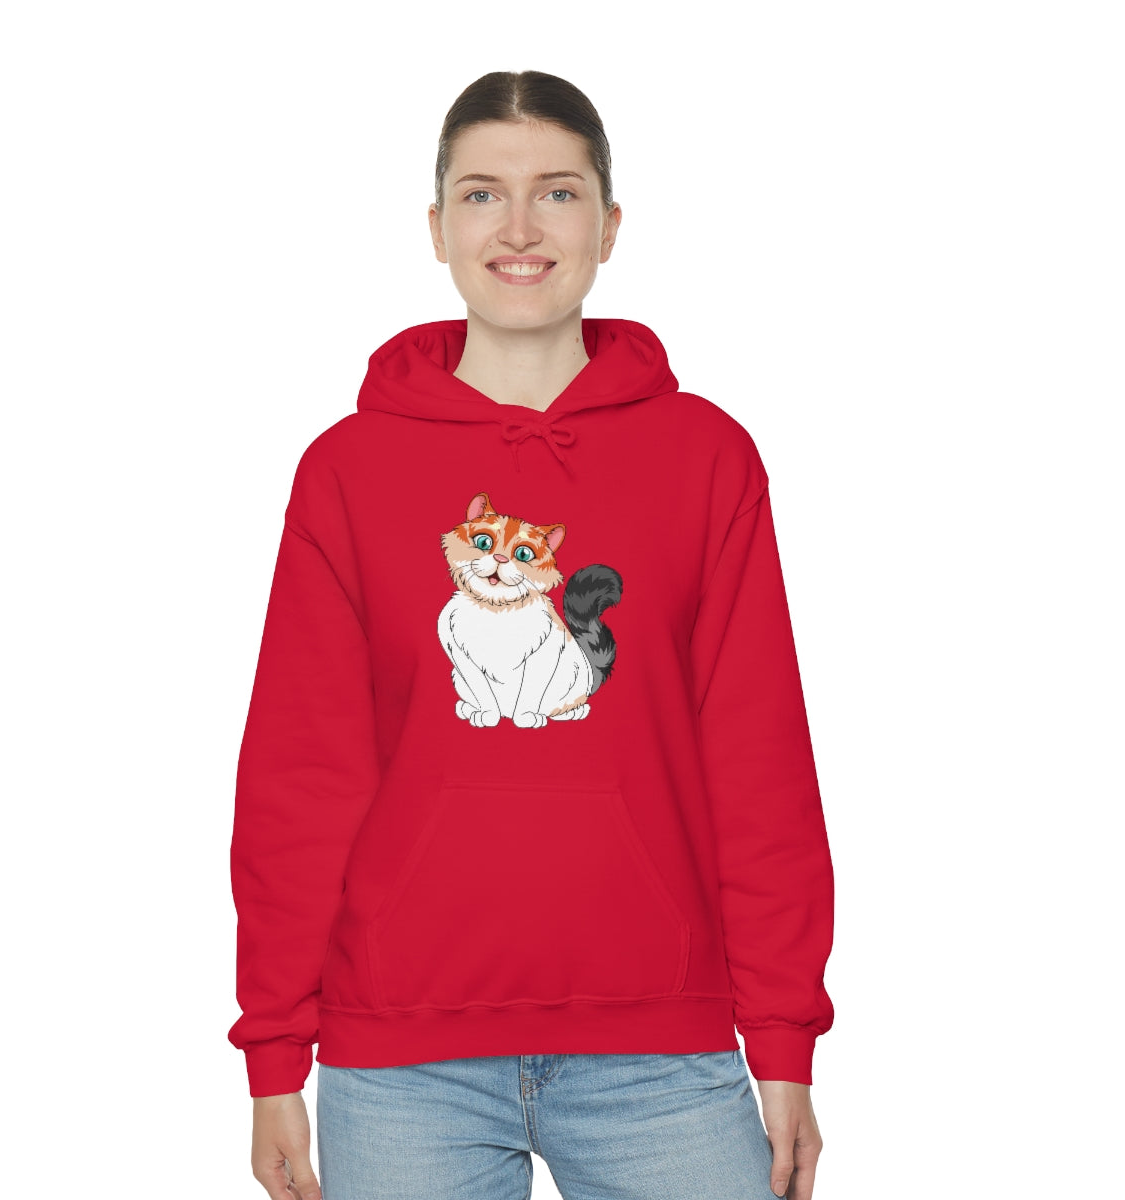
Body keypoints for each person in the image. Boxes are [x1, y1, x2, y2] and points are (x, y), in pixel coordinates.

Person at [229, 69, 835, 1200]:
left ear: (609, 225)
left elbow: (757, 761)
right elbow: (300, 776)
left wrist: (785, 1036)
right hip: (403, 1054)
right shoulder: (347, 471)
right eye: (481, 195)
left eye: (557, 193)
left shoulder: (707, 457)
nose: (518, 228)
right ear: (436, 228)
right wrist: (273, 1049)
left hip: (662, 1045)